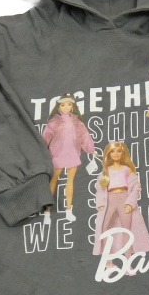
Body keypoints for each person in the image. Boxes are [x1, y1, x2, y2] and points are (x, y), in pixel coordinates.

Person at [93, 141, 149, 276]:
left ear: (123, 153)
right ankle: (108, 263)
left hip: (124, 199)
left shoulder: (127, 170)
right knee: (104, 229)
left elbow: (136, 187)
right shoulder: (106, 172)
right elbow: (100, 189)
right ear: (108, 154)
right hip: (109, 200)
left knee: (127, 230)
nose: (116, 154)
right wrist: (100, 202)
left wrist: (130, 202)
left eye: (119, 151)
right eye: (112, 152)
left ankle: (127, 263)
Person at [41, 92, 95, 222]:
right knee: (53, 181)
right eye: (63, 105)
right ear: (59, 106)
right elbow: (46, 136)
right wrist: (42, 150)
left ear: (73, 106)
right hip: (57, 153)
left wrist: (91, 149)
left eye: (69, 104)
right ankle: (47, 212)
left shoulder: (77, 121)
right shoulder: (54, 121)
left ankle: (68, 211)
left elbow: (85, 135)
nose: (66, 107)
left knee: (70, 181)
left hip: (72, 152)